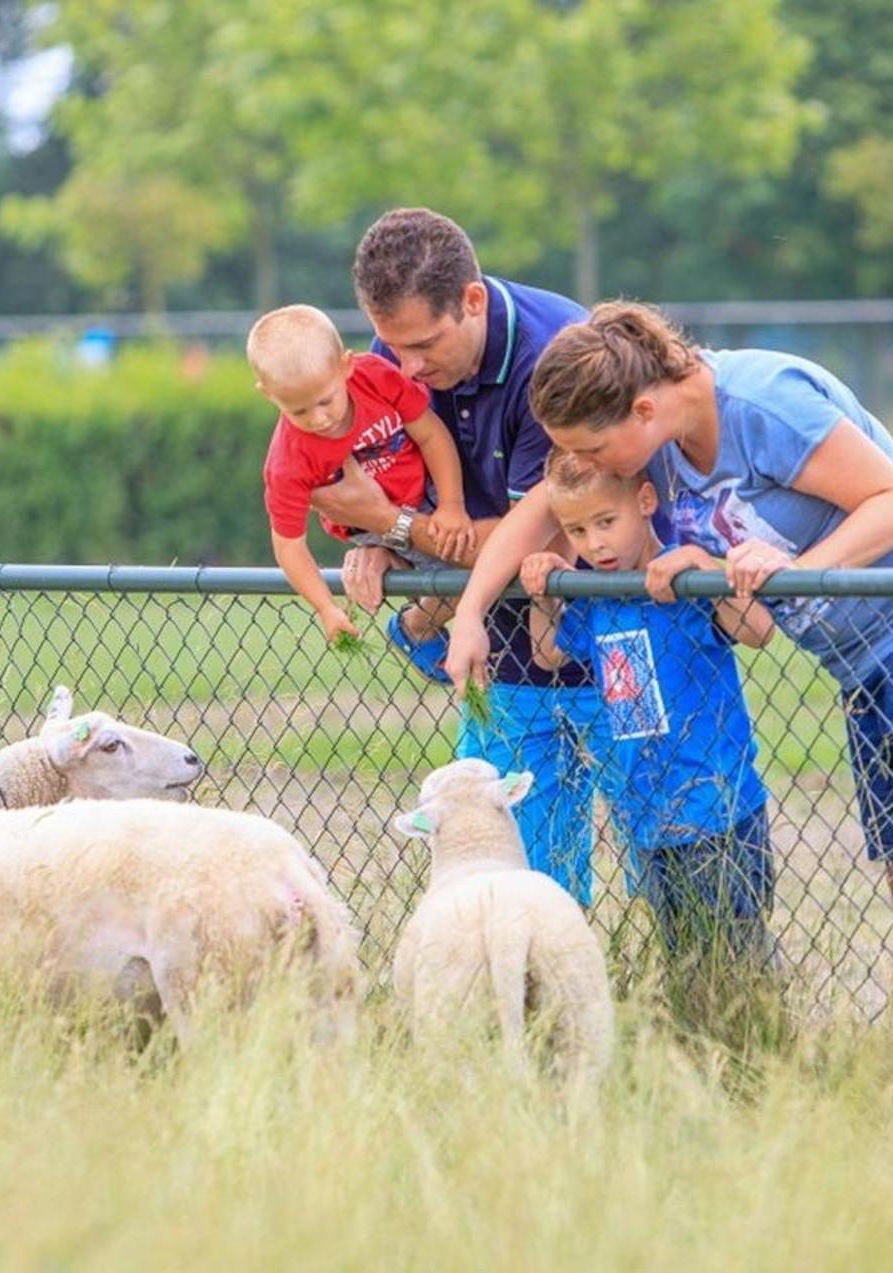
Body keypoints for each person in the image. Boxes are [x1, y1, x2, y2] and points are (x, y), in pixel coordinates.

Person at [444, 301, 893, 1032]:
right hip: (862, 659)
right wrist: (472, 612)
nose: (588, 469)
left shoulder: (762, 401)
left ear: (642, 408)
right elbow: (540, 508)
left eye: (594, 450)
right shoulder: (652, 447)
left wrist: (789, 570)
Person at [310, 208, 603, 901]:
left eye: (424, 345)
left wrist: (390, 522)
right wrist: (378, 543)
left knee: (670, 854)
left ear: (472, 301)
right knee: (508, 876)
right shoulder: (389, 364)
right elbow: (391, 500)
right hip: (499, 655)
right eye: (389, 346)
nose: (405, 368)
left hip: (593, 628)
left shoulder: (554, 354)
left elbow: (535, 528)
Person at [522, 449, 778, 1017]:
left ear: (644, 502)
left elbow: (758, 630)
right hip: (645, 816)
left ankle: (760, 1054)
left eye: (606, 522)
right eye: (576, 530)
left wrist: (704, 566)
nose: (595, 544)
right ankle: (698, 1054)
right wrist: (544, 596)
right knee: (683, 959)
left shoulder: (683, 587)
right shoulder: (597, 596)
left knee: (737, 958)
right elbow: (548, 655)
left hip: (717, 810)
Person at [250, 304, 477, 645]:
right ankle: (418, 630)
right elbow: (288, 547)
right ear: (269, 395)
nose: (318, 419)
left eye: (326, 401)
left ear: (346, 366)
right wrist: (326, 607)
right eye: (299, 411)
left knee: (486, 556)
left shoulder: (374, 377)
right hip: (370, 526)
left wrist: (451, 506)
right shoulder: (288, 461)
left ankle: (420, 617)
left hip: (426, 489)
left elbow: (431, 434)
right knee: (477, 568)